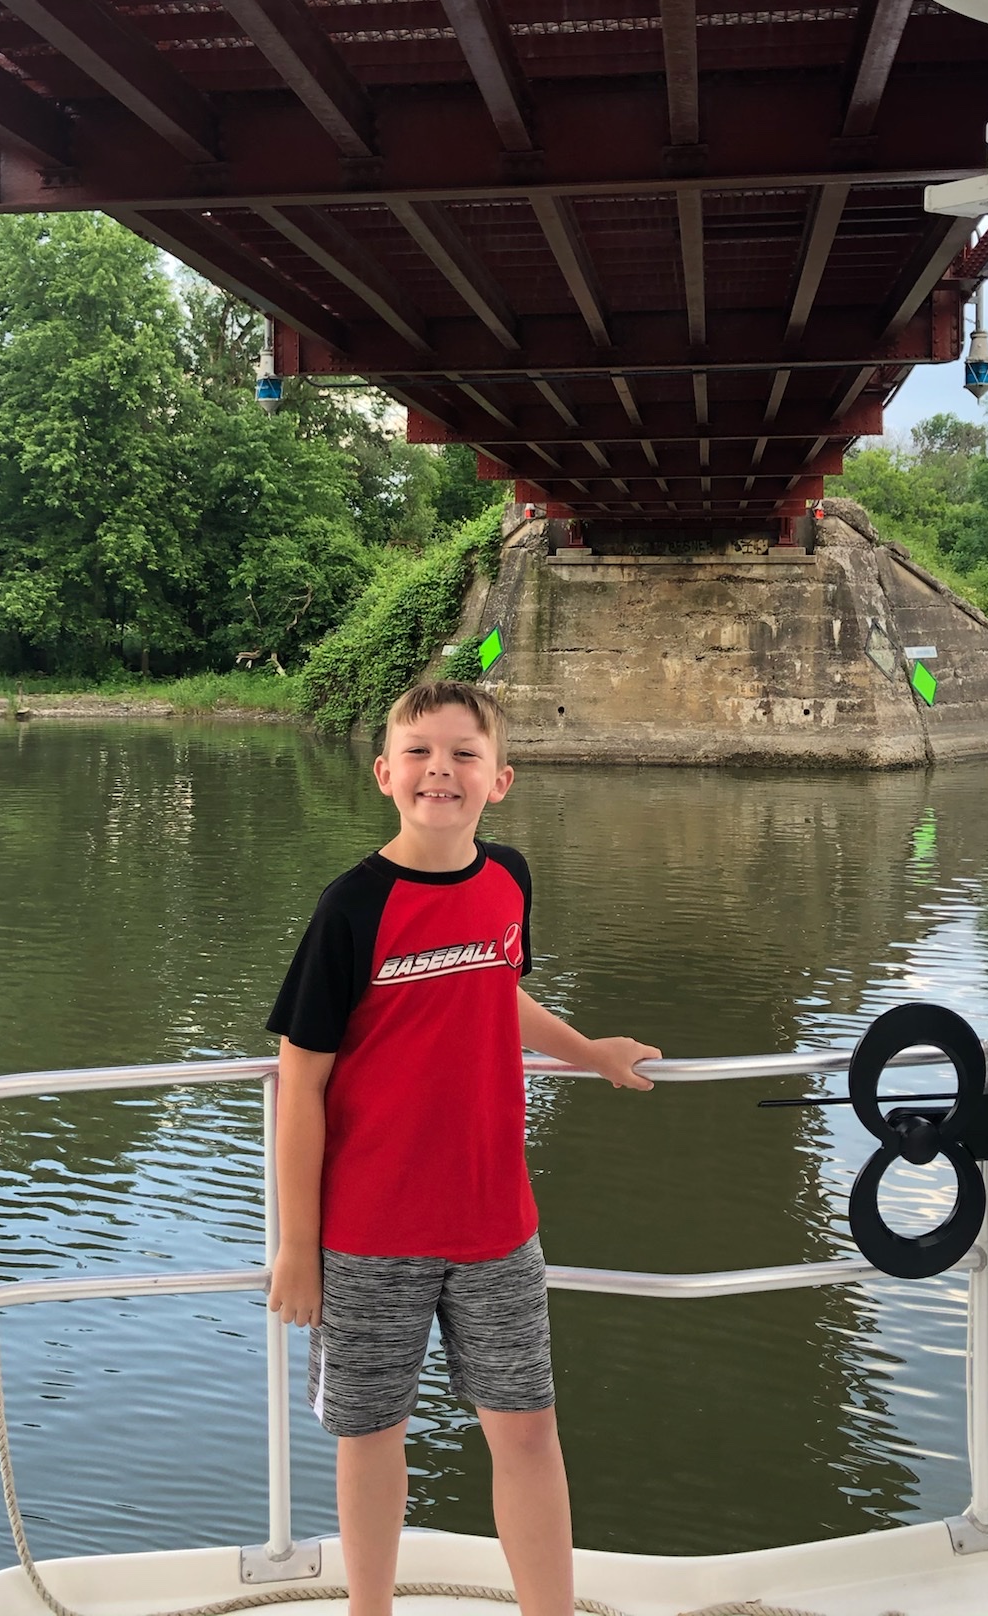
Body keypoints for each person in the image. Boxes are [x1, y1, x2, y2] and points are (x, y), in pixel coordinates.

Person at [266, 679, 660, 1616]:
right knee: (371, 1435)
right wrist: (296, 1245)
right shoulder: (350, 909)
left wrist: (589, 1052)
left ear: (500, 779)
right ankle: (369, 1609)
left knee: (526, 1433)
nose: (440, 769)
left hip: (496, 1224)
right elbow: (302, 1084)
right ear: (384, 773)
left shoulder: (509, 878)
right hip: (368, 1233)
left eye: (463, 754)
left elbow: (493, 990)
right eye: (420, 752)